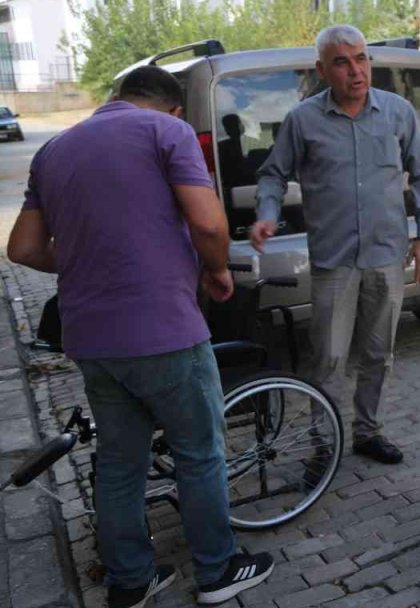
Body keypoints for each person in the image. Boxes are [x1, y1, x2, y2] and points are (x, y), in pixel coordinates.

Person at [7, 66, 274, 608]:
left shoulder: (52, 151)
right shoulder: (166, 132)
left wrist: (87, 261)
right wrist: (217, 268)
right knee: (199, 452)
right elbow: (209, 225)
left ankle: (130, 581)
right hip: (163, 331)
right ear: (174, 109)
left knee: (120, 462)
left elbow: (24, 249)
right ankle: (219, 570)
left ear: (116, 98)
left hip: (91, 341)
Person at [252, 24, 420, 465]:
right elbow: (272, 174)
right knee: (329, 358)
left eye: (361, 58)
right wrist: (265, 215)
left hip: (387, 255)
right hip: (335, 261)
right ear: (322, 70)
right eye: (342, 62)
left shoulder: (397, 113)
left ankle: (367, 432)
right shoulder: (304, 120)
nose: (355, 70)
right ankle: (322, 440)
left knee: (379, 354)